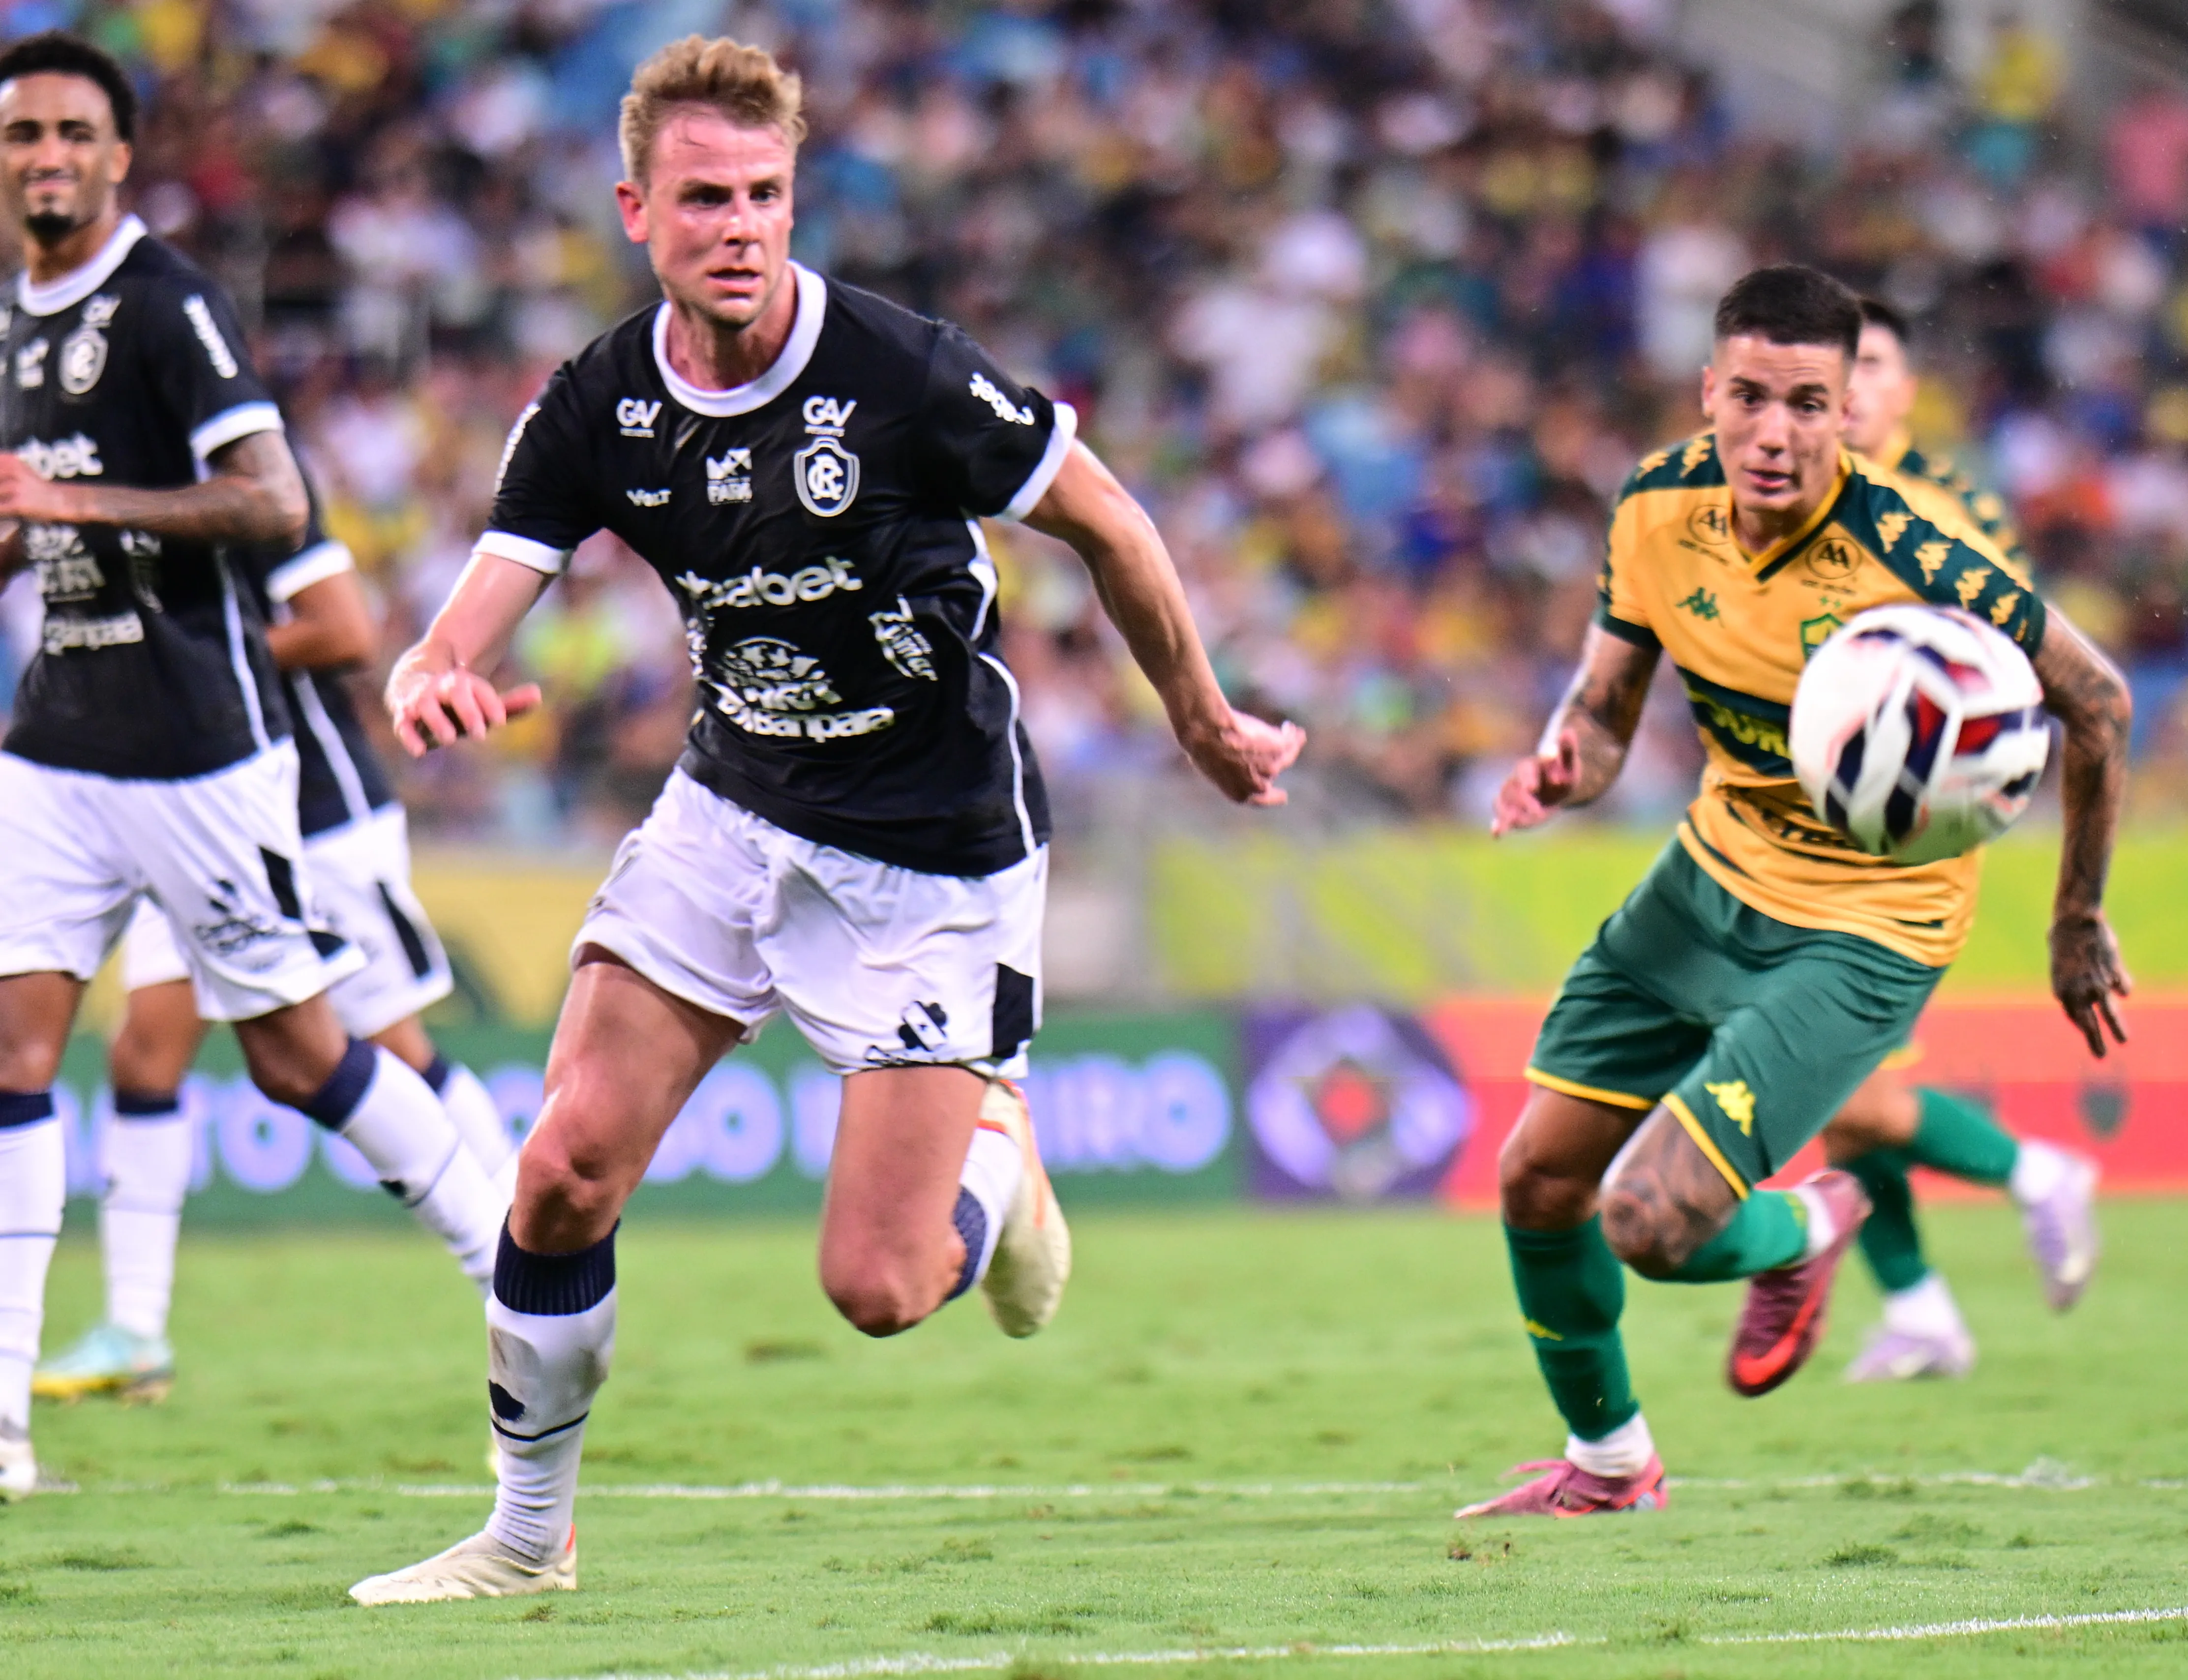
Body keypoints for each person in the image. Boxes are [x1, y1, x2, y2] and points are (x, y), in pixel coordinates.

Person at [347, 37, 1302, 1604]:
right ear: (635, 211)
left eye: (765, 195)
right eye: (703, 198)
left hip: (931, 854)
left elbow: (1112, 523)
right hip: (733, 809)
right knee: (565, 1167)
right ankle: (525, 1540)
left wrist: (1200, 717)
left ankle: (998, 1161)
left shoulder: (902, 372)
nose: (739, 226)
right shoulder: (595, 403)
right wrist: (429, 678)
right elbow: (461, 626)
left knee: (877, 1286)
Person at [1460, 266, 2131, 1519]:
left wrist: (2075, 917)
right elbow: (1603, 715)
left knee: (1649, 1224)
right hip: (1709, 878)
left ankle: (1812, 1226)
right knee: (1536, 1179)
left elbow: (2095, 701)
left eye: (1809, 404)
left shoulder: (1914, 551)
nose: (1776, 433)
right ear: (1708, 392)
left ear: (1844, 411)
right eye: (1751, 399)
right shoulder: (1652, 506)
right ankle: (1611, 1465)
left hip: (1868, 926)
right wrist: (1563, 763)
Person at [0, 33, 507, 1501]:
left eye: (73, 133)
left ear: (119, 156)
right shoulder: (15, 322)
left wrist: (74, 504)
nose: (46, 156)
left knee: (303, 1055)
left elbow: (273, 498)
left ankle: (517, 1269)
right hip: (55, 743)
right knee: (18, 1053)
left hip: (197, 752)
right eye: (23, 133)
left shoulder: (167, 304)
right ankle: (10, 1423)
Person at [31, 474, 516, 1404]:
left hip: (315, 816)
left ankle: (532, 1268)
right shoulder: (107, 474)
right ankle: (135, 1330)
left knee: (390, 1051)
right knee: (143, 1055)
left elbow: (344, 632)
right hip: (188, 812)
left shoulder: (248, 472)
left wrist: (177, 660)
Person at [1816, 295, 2101, 1383]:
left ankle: (2035, 1175)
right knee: (1833, 1098)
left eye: (1871, 365)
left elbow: (2019, 664)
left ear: (1906, 390)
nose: (1848, 386)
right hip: (1811, 824)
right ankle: (1922, 1312)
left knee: (1841, 1091)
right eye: (1834, 366)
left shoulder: (1946, 510)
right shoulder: (1785, 498)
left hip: (1904, 834)